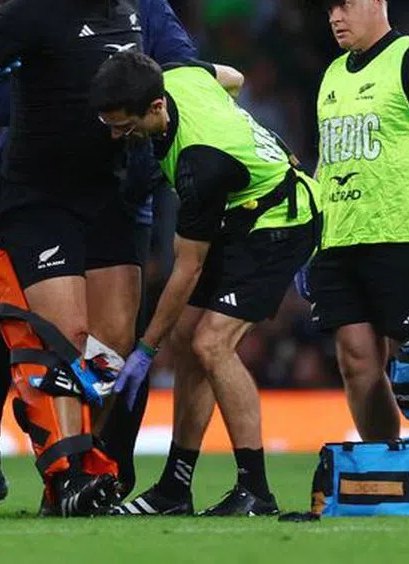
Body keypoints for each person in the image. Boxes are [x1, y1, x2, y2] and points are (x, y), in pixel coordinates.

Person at [0, 0, 198, 516]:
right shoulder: (32, 11)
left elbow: (184, 79)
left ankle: (100, 469)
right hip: (38, 200)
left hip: (118, 198)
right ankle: (38, 470)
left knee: (109, 349)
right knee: (36, 339)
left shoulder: (141, 6)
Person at [90, 52, 319, 516]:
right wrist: (246, 135)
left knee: (211, 344)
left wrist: (145, 352)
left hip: (279, 222)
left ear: (156, 107)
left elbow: (187, 268)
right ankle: (175, 489)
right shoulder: (182, 75)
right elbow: (234, 77)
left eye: (126, 126)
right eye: (110, 125)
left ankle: (255, 490)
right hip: (244, 210)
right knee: (186, 335)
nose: (118, 136)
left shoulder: (200, 164)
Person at [300, 0, 409, 512]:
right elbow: (326, 160)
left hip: (405, 238)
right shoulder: (330, 75)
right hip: (342, 239)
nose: (335, 17)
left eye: (344, 3)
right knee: (355, 359)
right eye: (329, 8)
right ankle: (387, 472)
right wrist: (313, 234)